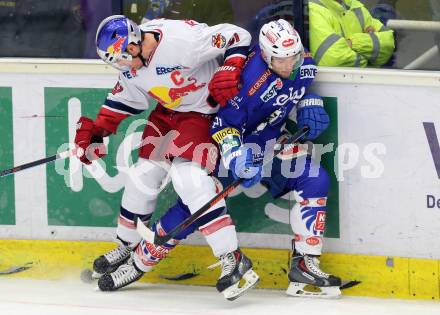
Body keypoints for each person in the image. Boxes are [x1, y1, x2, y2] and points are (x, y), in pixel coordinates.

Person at [138, 18, 342, 298]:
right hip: (232, 151)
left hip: (272, 147)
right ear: (266, 55)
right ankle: (144, 256)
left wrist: (309, 105)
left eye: (294, 55)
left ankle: (305, 265)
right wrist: (236, 158)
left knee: (315, 179)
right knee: (200, 205)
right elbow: (223, 125)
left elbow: (296, 93)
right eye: (282, 60)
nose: (290, 64)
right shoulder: (247, 81)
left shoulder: (303, 62)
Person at [74, 15, 260, 299]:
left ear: (135, 44)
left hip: (202, 114)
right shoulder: (131, 63)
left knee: (191, 180)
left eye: (123, 59)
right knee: (141, 177)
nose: (123, 67)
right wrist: (98, 131)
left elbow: (238, 35)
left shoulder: (183, 42)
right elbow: (125, 97)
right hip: (167, 114)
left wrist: (231, 64)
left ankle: (232, 258)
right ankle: (127, 246)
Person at [309, 0, 395, 67]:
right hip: (334, 86)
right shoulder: (313, 9)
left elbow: (388, 43)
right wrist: (369, 58)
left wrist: (352, 43)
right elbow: (334, 60)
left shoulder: (355, 6)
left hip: (366, 83)